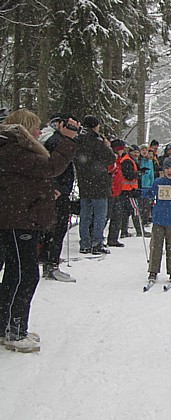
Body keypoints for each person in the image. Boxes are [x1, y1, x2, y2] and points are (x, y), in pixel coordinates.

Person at [0, 109, 78, 352]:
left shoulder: (13, 150)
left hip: (22, 218)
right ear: (24, 129)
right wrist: (68, 139)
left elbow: (28, 180)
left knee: (16, 273)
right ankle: (14, 330)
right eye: (34, 128)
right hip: (18, 221)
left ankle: (8, 327)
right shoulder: (14, 149)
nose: (38, 132)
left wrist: (44, 192)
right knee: (25, 274)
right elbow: (51, 167)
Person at [39, 113, 78, 282]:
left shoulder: (55, 139)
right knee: (56, 228)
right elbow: (54, 166)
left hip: (57, 190)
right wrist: (58, 187)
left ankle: (50, 262)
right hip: (56, 192)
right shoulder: (55, 141)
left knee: (56, 228)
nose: (74, 131)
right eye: (70, 126)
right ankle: (51, 264)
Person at [73, 114, 115, 254]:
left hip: (84, 182)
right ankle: (97, 242)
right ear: (95, 127)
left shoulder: (78, 140)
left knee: (85, 214)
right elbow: (110, 158)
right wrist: (106, 145)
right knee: (100, 215)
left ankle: (84, 243)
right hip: (99, 182)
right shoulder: (97, 142)